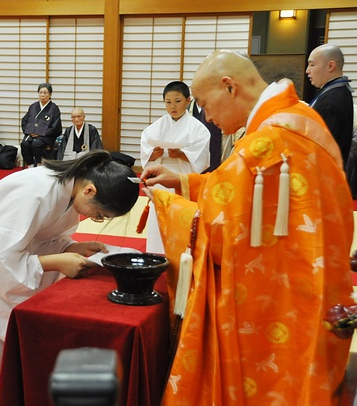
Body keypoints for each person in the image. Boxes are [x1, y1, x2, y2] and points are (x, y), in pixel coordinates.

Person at [141, 50, 353, 404]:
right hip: (308, 275)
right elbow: (242, 195)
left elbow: (221, 227)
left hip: (276, 293)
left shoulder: (269, 142)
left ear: (229, 87)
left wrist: (165, 202)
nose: (207, 117)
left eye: (206, 105)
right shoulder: (299, 120)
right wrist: (185, 183)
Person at [0, 150, 140, 406]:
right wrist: (58, 261)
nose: (94, 218)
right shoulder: (35, 191)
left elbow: (42, 237)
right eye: (99, 214)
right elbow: (0, 263)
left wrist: (70, 248)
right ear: (90, 190)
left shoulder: (70, 188)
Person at [140, 81, 210, 254]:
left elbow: (200, 157)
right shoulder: (155, 127)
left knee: (181, 217)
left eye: (178, 101)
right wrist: (154, 155)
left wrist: (181, 154)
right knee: (159, 217)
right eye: (168, 101)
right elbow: (146, 152)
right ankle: (157, 251)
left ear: (188, 100)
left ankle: (182, 252)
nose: (173, 106)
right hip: (160, 181)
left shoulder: (198, 128)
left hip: (182, 179)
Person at [306, 44, 354, 184]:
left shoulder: (332, 99)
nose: (307, 71)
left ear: (330, 66)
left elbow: (319, 147)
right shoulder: (337, 91)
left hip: (323, 178)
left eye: (312, 65)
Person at [21, 83, 62, 167]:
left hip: (46, 136)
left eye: (45, 93)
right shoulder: (33, 106)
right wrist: (29, 131)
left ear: (50, 94)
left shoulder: (54, 108)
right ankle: (30, 165)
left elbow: (55, 126)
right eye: (40, 92)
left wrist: (41, 133)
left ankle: (39, 164)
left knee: (36, 144)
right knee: (24, 144)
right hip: (31, 134)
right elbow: (25, 120)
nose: (42, 95)